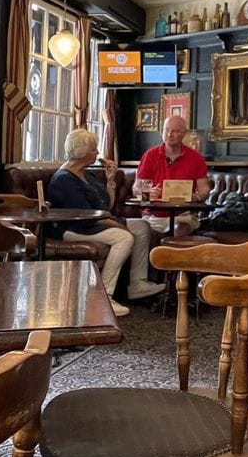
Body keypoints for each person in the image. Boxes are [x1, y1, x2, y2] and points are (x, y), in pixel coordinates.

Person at [47, 129, 164, 317]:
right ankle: (104, 296)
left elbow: (105, 207)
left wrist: (110, 181)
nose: (98, 154)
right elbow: (89, 216)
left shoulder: (88, 175)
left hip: (94, 224)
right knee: (124, 237)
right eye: (93, 150)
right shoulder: (64, 180)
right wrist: (119, 225)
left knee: (142, 226)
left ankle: (137, 283)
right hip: (72, 228)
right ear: (82, 152)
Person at [131, 115, 210, 248]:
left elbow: (204, 190)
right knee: (142, 230)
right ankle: (153, 268)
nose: (169, 134)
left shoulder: (196, 158)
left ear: (184, 134)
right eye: (166, 130)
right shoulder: (150, 155)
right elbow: (136, 189)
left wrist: (196, 197)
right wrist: (147, 193)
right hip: (153, 216)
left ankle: (175, 268)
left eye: (175, 131)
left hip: (183, 215)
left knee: (180, 228)